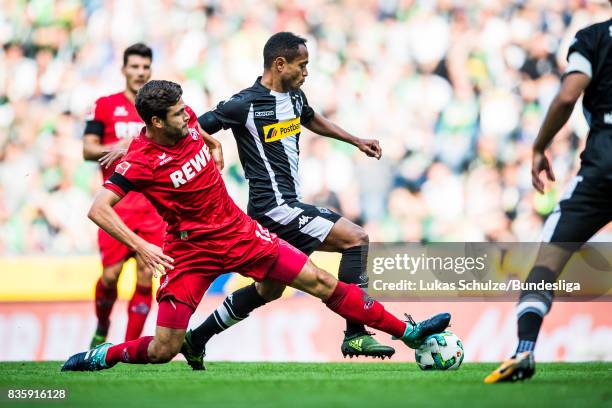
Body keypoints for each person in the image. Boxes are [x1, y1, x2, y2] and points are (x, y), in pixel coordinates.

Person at [61, 80, 450, 372]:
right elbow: (99, 208)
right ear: (157, 122)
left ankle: (409, 333)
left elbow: (204, 132)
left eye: (185, 109)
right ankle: (103, 355)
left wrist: (213, 146)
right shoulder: (141, 161)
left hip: (241, 233)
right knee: (164, 350)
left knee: (321, 282)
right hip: (190, 252)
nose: (188, 115)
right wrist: (142, 246)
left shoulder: (187, 120)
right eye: (178, 114)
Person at [186, 32, 391, 369]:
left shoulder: (295, 96)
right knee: (357, 238)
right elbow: (192, 126)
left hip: (285, 206)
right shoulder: (244, 104)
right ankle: (356, 330)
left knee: (269, 290)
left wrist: (355, 140)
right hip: (273, 208)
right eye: (302, 65)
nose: (306, 72)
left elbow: (310, 117)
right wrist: (213, 145)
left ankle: (197, 338)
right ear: (279, 64)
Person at [485, 13, 612, 383]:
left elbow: (568, 94)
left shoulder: (592, 37)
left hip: (602, 166)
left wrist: (539, 147)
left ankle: (523, 351)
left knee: (547, 263)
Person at [83, 43, 165, 347]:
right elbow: (87, 149)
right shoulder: (105, 105)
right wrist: (115, 147)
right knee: (110, 276)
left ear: (151, 70)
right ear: (124, 69)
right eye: (134, 66)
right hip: (117, 207)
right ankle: (102, 326)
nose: (140, 72)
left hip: (154, 208)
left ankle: (127, 348)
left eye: (145, 67)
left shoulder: (162, 109)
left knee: (147, 274)